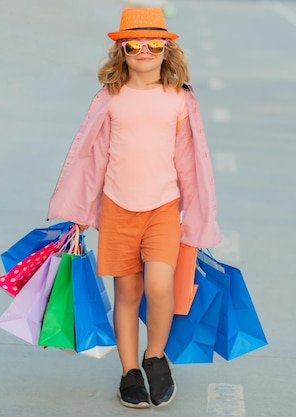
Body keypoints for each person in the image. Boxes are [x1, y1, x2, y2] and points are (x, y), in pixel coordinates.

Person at [47, 7, 221, 408]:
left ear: (167, 50)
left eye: (155, 43)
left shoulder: (178, 99)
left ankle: (155, 357)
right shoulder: (110, 98)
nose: (145, 50)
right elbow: (90, 160)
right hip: (117, 209)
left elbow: (192, 164)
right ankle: (129, 372)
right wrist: (80, 210)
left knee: (160, 287)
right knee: (127, 292)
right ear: (121, 50)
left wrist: (196, 215)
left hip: (163, 208)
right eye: (134, 44)